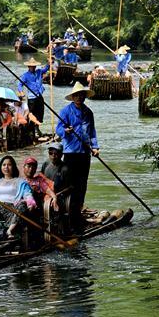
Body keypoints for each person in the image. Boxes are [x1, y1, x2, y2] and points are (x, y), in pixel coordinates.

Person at [55, 82, 99, 232]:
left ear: (84, 97)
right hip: (71, 152)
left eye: (81, 95)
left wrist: (95, 147)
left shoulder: (88, 113)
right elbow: (58, 129)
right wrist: (66, 131)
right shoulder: (65, 112)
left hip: (85, 152)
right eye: (76, 95)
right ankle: (70, 216)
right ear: (72, 97)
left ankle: (78, 212)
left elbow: (92, 132)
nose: (79, 97)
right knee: (71, 185)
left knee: (82, 184)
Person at [0, 156, 36, 242]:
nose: (6, 167)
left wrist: (31, 203)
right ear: (1, 167)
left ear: (13, 167)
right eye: (4, 165)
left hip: (11, 210)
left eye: (9, 165)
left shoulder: (20, 182)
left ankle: (9, 231)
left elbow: (28, 195)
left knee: (23, 204)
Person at [17, 57, 49, 125]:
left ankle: (37, 126)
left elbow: (46, 69)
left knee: (40, 112)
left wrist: (49, 62)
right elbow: (19, 84)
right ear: (29, 66)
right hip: (31, 97)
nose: (33, 68)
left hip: (39, 95)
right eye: (31, 66)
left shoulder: (39, 71)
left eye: (34, 66)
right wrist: (21, 92)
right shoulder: (26, 75)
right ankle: (32, 128)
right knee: (31, 113)